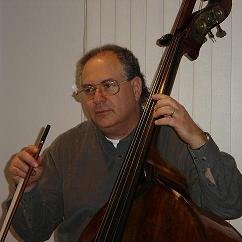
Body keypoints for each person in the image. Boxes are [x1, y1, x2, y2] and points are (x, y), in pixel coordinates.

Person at [5, 44, 242, 242]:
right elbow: (33, 232)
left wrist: (197, 139)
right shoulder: (66, 148)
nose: (97, 98)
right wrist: (26, 189)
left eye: (108, 85)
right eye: (88, 90)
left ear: (136, 87)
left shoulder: (176, 139)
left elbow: (230, 206)